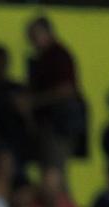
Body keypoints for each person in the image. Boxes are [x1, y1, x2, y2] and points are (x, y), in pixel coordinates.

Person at [25, 16, 84, 171]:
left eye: (33, 36)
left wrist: (34, 101)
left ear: (46, 33)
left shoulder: (58, 56)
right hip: (48, 124)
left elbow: (66, 90)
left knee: (54, 173)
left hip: (58, 125)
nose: (31, 41)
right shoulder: (42, 58)